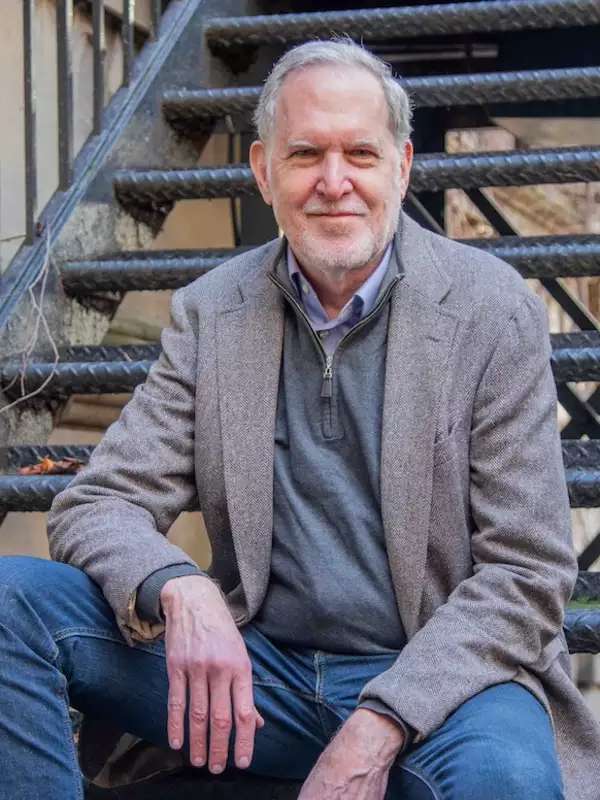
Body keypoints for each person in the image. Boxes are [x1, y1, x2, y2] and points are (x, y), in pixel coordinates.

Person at [0, 39, 598, 800]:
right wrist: (179, 587)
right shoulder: (213, 311)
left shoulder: (490, 310)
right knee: (11, 604)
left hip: (443, 680)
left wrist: (381, 719)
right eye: (307, 153)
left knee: (505, 782)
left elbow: (528, 570)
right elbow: (99, 501)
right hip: (261, 672)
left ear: (404, 166)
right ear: (263, 171)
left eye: (361, 153)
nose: (334, 182)